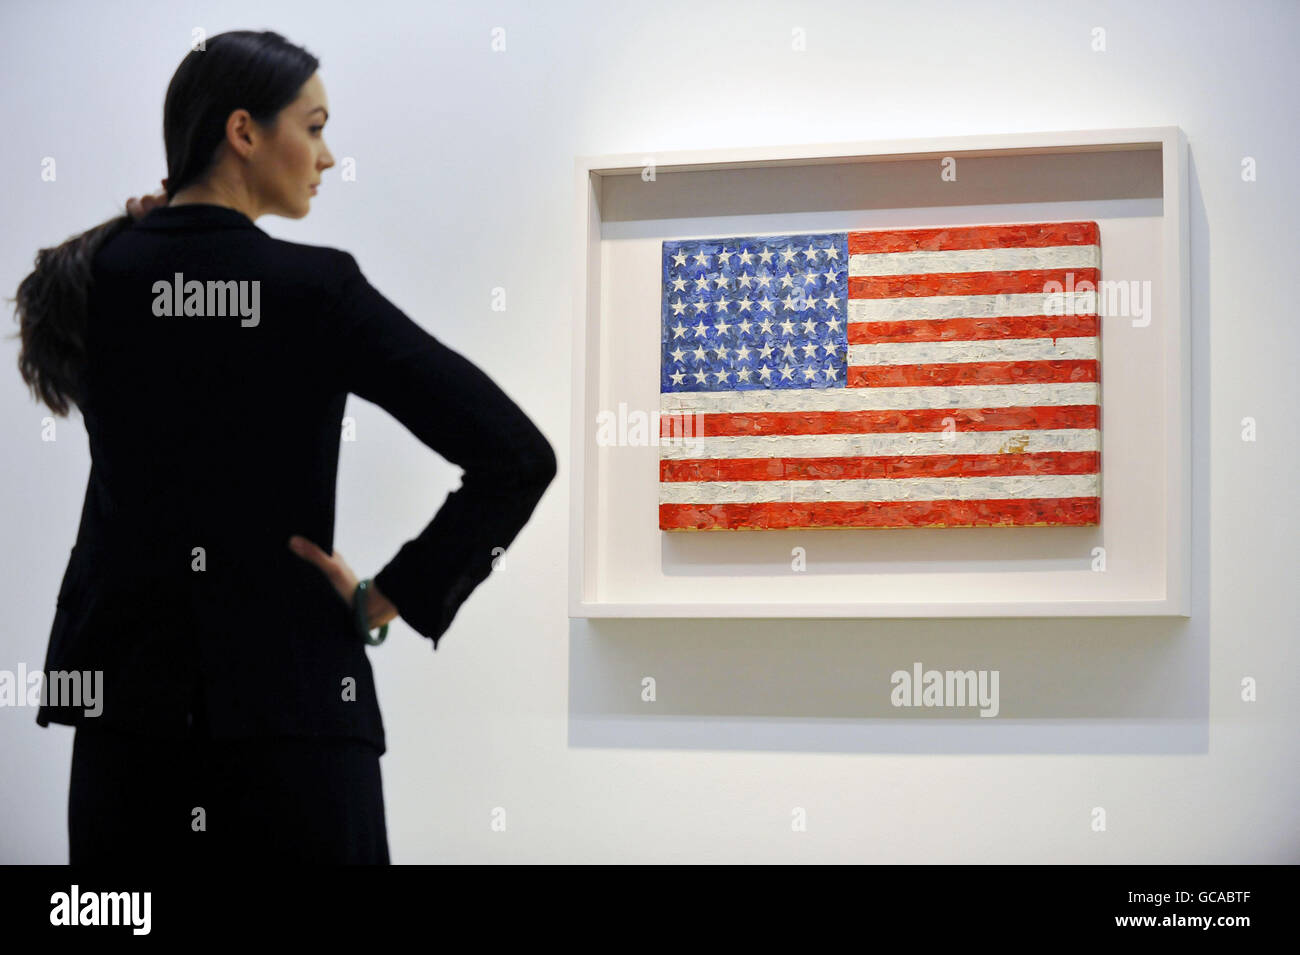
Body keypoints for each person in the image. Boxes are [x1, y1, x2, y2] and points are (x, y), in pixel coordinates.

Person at [10, 30, 557, 864]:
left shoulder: (92, 276)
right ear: (243, 131)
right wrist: (386, 595)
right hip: (295, 717)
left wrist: (153, 230)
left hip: (129, 728)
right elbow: (518, 455)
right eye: (314, 126)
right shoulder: (317, 290)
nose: (328, 156)